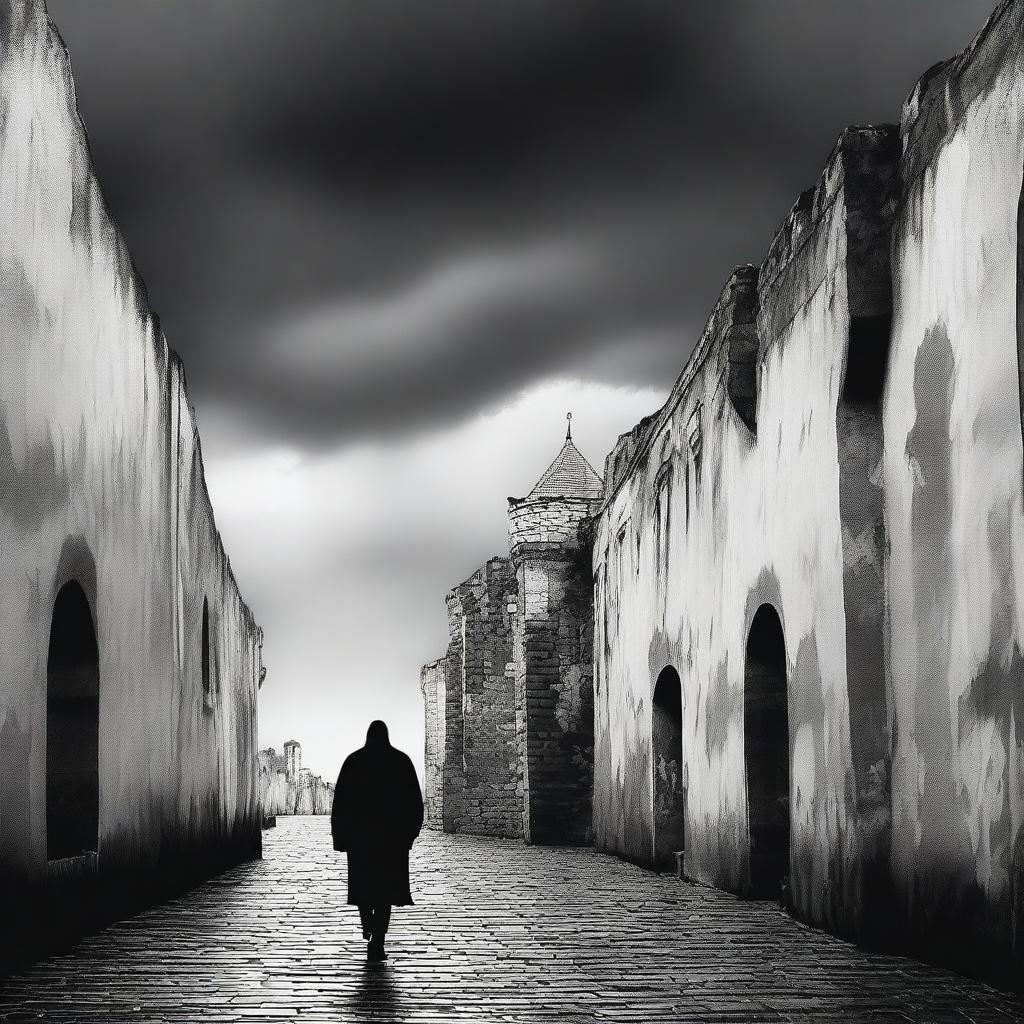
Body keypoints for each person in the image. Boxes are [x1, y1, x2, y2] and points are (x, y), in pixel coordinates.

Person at [331, 720, 423, 962]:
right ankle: (378, 940)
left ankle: (368, 926)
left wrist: (340, 837)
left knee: (364, 887)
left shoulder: (353, 761)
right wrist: (410, 835)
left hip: (360, 841)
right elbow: (415, 803)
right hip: (391, 842)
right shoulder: (401, 762)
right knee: (385, 892)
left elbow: (340, 803)